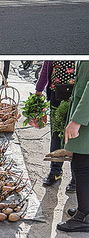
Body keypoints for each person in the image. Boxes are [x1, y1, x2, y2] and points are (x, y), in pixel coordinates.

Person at [57, 61, 89, 233]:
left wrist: (77, 120)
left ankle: (84, 216)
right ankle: (85, 209)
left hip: (87, 118)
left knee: (82, 165)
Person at [36, 60, 77, 190]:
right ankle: (55, 172)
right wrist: (39, 88)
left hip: (76, 96)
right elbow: (46, 66)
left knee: (76, 136)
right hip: (56, 94)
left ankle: (76, 177)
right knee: (56, 134)